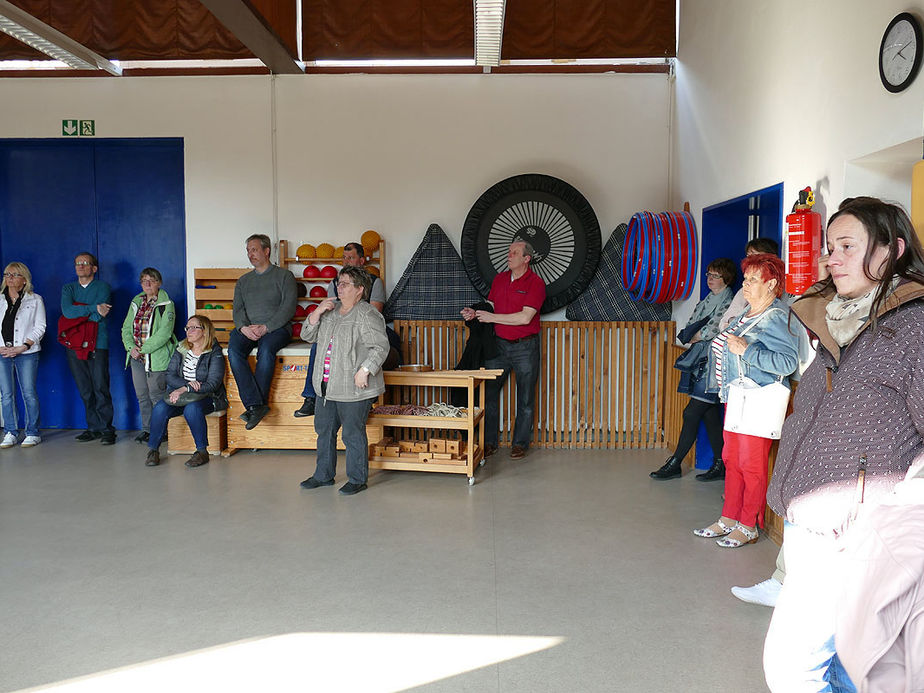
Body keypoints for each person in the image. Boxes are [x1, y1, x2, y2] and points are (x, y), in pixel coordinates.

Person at [763, 197, 924, 692]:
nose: (831, 258)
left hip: (860, 530)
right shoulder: (834, 320)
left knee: (794, 668)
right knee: (846, 664)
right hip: (809, 515)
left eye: (848, 246)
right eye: (830, 247)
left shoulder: (915, 328)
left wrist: (898, 513)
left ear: (891, 251)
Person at [692, 253, 799, 548]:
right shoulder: (745, 315)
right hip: (737, 396)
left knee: (751, 465)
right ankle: (729, 518)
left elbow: (787, 362)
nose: (747, 285)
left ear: (772, 283)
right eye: (746, 279)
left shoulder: (776, 317)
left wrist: (747, 351)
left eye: (754, 280)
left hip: (759, 400)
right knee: (732, 460)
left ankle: (749, 523)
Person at [298, 266, 389, 496]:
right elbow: (307, 336)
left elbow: (380, 346)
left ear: (360, 290)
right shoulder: (329, 311)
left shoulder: (367, 314)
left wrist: (365, 370)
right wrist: (317, 312)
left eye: (346, 283)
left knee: (352, 433)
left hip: (353, 387)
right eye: (339, 282)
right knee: (324, 431)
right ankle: (323, 475)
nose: (339, 287)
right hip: (325, 386)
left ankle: (357, 479)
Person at [651, 258, 735, 480]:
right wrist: (695, 335)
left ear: (725, 278)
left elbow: (716, 328)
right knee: (709, 415)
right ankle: (720, 464)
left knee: (691, 412)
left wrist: (698, 335)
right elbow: (691, 325)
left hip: (714, 364)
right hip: (701, 361)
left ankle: (675, 462)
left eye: (715, 275)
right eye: (708, 274)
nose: (710, 279)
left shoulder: (729, 300)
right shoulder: (707, 300)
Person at [461, 240, 546, 460]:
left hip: (525, 347)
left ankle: (519, 444)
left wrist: (492, 317)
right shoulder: (499, 279)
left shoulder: (536, 283)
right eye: (509, 252)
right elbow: (491, 305)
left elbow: (525, 317)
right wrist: (476, 312)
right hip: (498, 346)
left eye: (514, 253)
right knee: (488, 394)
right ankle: (489, 442)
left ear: (526, 259)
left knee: (525, 397)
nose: (509, 255)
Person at [293, 241, 387, 418]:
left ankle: (362, 396)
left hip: (365, 330)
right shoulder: (335, 282)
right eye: (344, 258)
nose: (346, 261)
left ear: (361, 260)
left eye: (350, 257)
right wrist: (317, 312)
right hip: (339, 326)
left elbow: (375, 312)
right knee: (318, 346)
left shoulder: (374, 282)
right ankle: (311, 397)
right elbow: (334, 307)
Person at [227, 234, 297, 430]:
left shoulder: (284, 276)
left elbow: (288, 307)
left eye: (254, 249)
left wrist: (266, 327)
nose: (250, 254)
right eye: (248, 250)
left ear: (267, 251)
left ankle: (254, 406)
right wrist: (244, 328)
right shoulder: (243, 281)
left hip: (277, 329)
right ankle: (256, 405)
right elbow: (238, 309)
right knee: (234, 351)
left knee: (265, 351)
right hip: (247, 329)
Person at [145, 315, 227, 469]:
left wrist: (185, 388)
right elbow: (170, 375)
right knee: (160, 408)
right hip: (181, 395)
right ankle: (153, 450)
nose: (189, 331)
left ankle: (202, 452)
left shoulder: (214, 352)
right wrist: (186, 386)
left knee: (192, 409)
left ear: (204, 331)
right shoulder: (181, 348)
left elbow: (213, 384)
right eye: (187, 328)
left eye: (194, 327)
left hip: (208, 396)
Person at [62, 252, 115, 444]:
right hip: (74, 344)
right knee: (85, 388)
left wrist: (82, 313)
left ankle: (107, 430)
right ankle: (93, 428)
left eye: (85, 263)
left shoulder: (103, 287)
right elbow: (68, 312)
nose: (81, 266)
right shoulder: (68, 288)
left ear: (94, 268)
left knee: (100, 386)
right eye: (77, 263)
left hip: (97, 343)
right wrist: (93, 307)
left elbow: (100, 316)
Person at [121, 268, 176, 443]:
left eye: (151, 280)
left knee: (157, 396)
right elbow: (126, 328)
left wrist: (143, 349)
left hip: (156, 358)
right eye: (144, 280)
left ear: (159, 283)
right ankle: (147, 429)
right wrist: (131, 348)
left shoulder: (166, 304)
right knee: (142, 396)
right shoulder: (136, 301)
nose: (147, 284)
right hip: (136, 357)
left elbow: (165, 333)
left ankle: (162, 431)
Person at [0, 262, 46, 448]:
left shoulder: (35, 299)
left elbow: (40, 326)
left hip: (26, 352)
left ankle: (32, 432)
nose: (9, 278)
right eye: (7, 274)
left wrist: (24, 346)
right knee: (6, 395)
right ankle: (10, 431)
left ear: (24, 279)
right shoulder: (0, 300)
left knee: (28, 393)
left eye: (14, 275)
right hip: (3, 352)